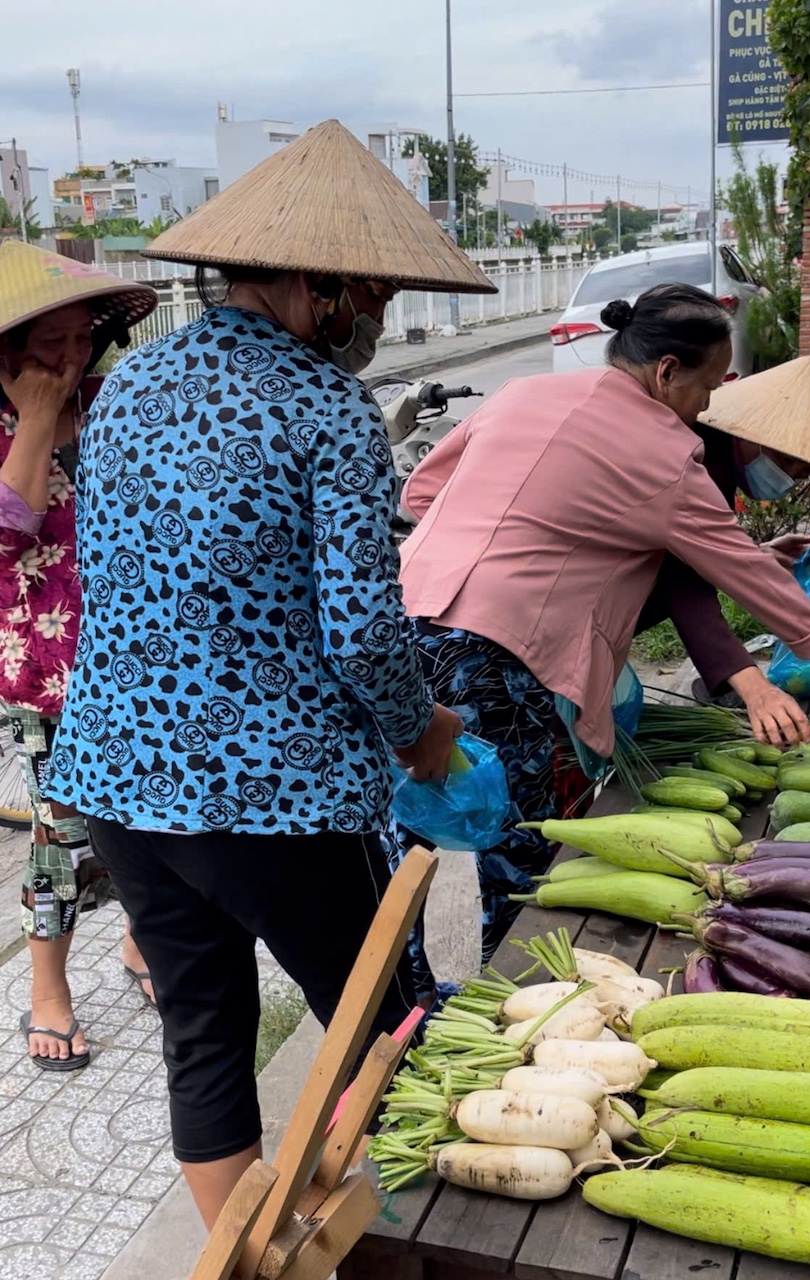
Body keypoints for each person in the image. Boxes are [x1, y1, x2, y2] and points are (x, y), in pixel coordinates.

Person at [45, 120, 495, 1227]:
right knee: (382, 1021)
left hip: (116, 779)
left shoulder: (129, 390)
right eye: (375, 296)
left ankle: (241, 1255)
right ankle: (404, 1241)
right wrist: (422, 731)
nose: (379, 320)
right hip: (271, 795)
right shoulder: (324, 409)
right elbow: (359, 634)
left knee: (204, 1032)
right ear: (317, 282)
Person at [396, 283, 810, 983]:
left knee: (402, 820)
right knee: (523, 839)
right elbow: (740, 567)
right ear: (666, 372)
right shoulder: (661, 452)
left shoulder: (521, 394)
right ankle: (513, 990)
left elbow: (420, 493)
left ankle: (399, 1003)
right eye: (707, 386)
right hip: (497, 653)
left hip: (398, 628)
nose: (706, 405)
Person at [0, 240, 158, 1071]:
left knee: (154, 821)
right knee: (60, 836)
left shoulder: (110, 401)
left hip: (141, 653)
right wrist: (32, 418)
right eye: (44, 342)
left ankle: (140, 944)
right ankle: (48, 994)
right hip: (49, 675)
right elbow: (7, 530)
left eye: (75, 339)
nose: (65, 358)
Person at [635, 352, 810, 726]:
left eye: (804, 473)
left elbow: (694, 552)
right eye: (790, 463)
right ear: (755, 435)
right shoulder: (697, 458)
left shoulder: (715, 457)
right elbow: (683, 579)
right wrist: (752, 685)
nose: (791, 478)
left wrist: (755, 553)